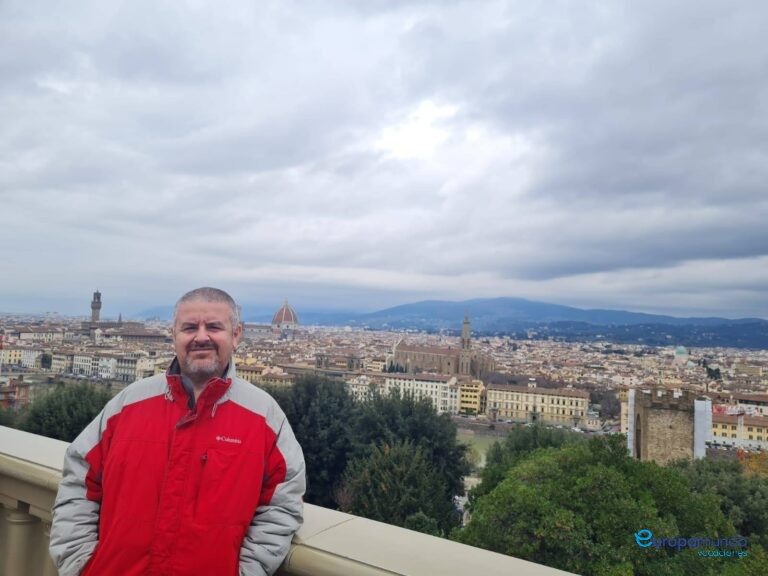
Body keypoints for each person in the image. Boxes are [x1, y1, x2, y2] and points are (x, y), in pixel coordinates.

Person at [50, 287, 305, 576]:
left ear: (236, 335)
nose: (201, 337)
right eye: (189, 327)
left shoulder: (266, 416)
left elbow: (284, 503)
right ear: (173, 335)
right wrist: (81, 564)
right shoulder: (128, 402)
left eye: (213, 327)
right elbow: (79, 477)